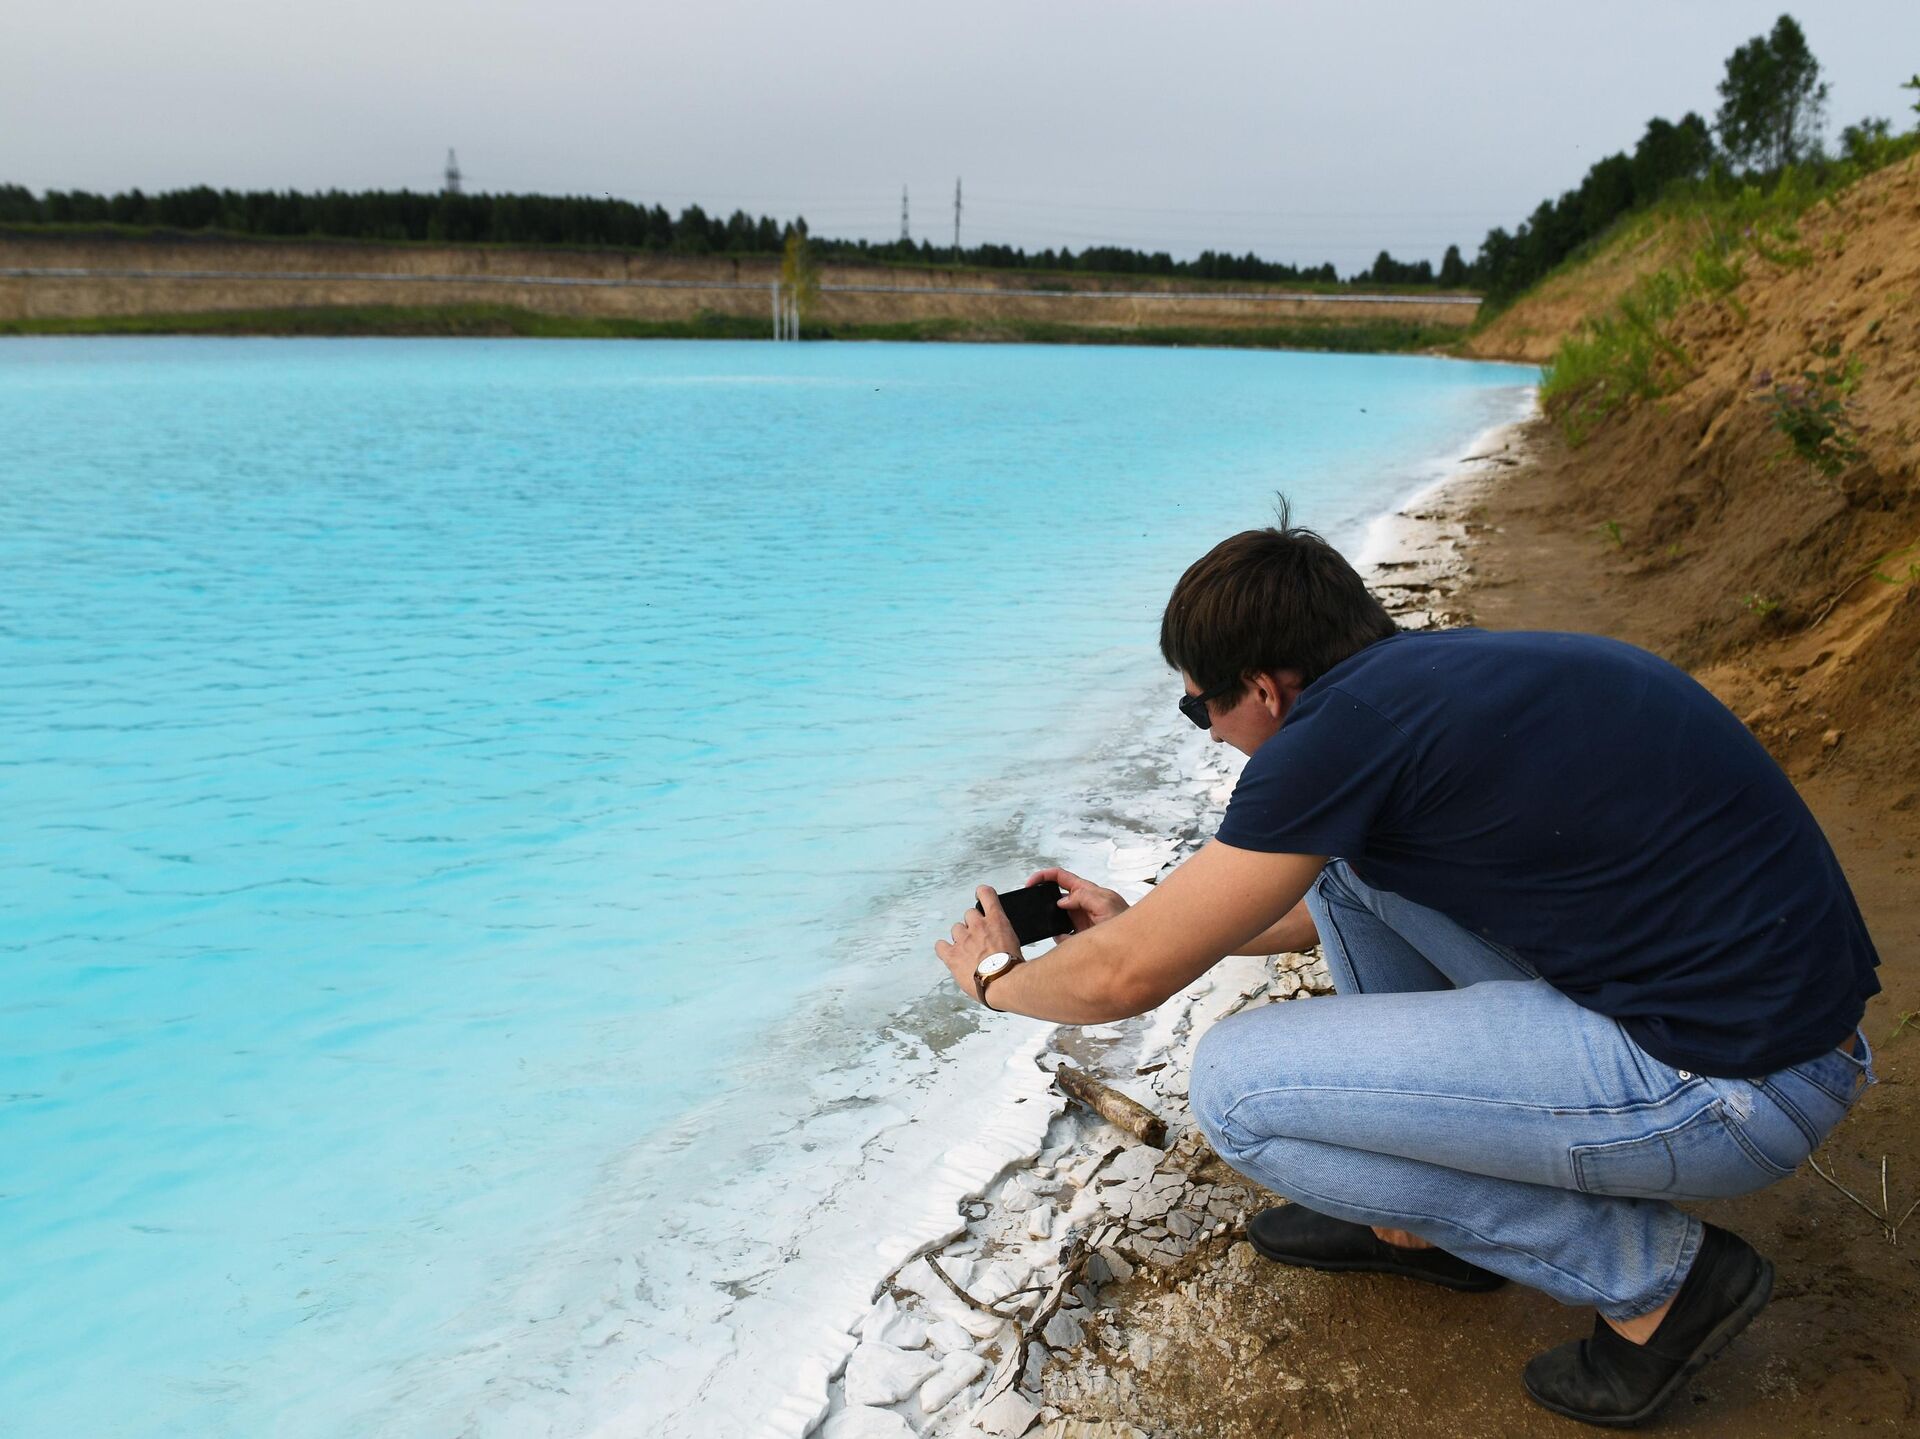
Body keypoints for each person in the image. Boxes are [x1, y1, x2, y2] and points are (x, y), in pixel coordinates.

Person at [933, 516, 1880, 1428]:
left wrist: (993, 982)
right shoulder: (1435, 681)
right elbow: (1306, 909)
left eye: (1198, 707)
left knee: (1235, 1091)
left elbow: (1120, 984)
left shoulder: (1331, 742)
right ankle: (1418, 1225)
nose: (1208, 731)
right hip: (1779, 1033)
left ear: (1262, 689)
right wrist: (1144, 923)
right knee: (1347, 865)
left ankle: (1657, 1282)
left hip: (1726, 1089)